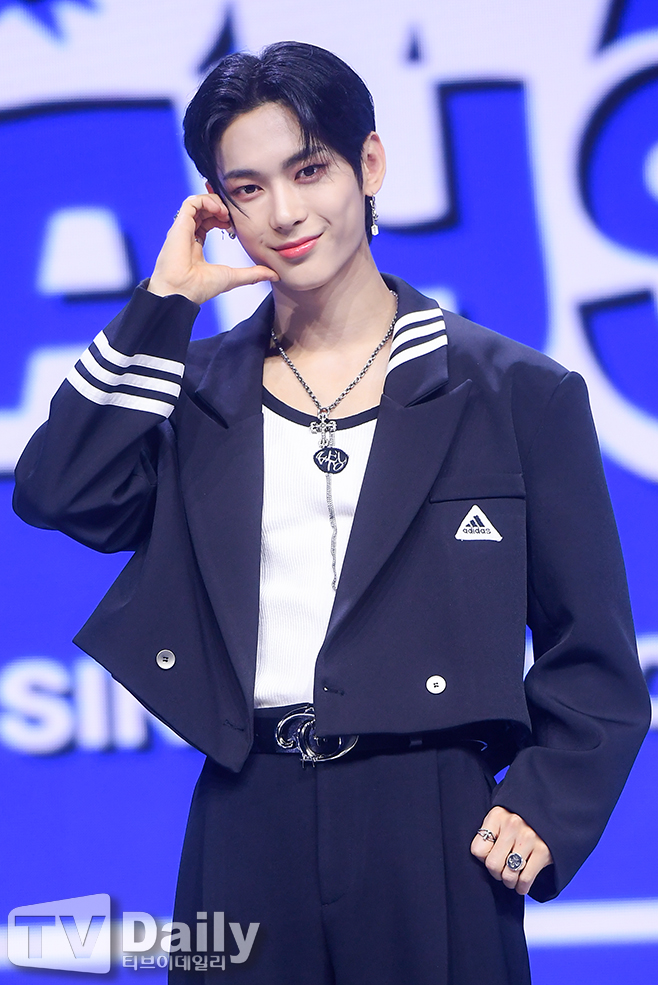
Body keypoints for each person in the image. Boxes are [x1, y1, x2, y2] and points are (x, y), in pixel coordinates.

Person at [13, 41, 650, 985]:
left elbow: (592, 650)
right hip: (245, 810)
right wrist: (161, 307)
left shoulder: (514, 393)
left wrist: (547, 809)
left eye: (309, 170)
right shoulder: (193, 394)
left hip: (433, 819)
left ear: (370, 164)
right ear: (220, 208)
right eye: (249, 188)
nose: (285, 212)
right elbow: (58, 491)